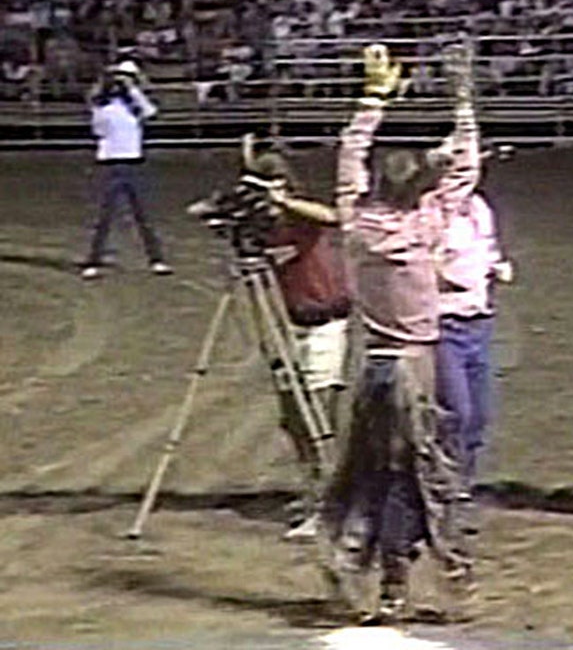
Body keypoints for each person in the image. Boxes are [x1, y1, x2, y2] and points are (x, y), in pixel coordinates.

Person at [268, 43, 474, 624]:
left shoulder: (361, 223)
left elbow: (350, 157)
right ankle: (418, 572)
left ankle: (364, 566)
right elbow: (465, 165)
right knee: (423, 476)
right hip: (417, 366)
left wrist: (373, 96)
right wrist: (461, 98)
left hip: (376, 364)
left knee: (370, 474)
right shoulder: (426, 223)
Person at [188, 138, 352, 543]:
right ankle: (314, 490)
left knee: (319, 417)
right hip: (286, 325)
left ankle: (328, 503)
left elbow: (334, 217)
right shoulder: (261, 225)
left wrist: (282, 202)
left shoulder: (304, 219)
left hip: (324, 325)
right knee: (293, 419)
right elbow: (198, 212)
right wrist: (231, 206)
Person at [424, 138, 514, 532]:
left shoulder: (479, 209)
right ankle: (444, 494)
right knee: (455, 413)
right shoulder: (428, 213)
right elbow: (418, 264)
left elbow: (487, 250)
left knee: (476, 416)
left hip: (478, 320)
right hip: (443, 324)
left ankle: (459, 489)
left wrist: (496, 267)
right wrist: (449, 277)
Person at [82, 61, 172, 280]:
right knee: (105, 216)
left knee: (143, 215)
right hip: (111, 164)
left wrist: (132, 89)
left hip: (133, 163)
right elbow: (98, 128)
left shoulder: (135, 107)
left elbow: (151, 112)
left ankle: (156, 259)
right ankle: (94, 260)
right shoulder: (103, 107)